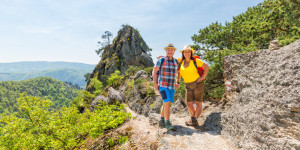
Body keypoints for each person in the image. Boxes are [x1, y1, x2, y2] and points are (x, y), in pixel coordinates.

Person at [178, 45, 209, 126]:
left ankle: (194, 120)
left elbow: (206, 66)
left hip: (198, 84)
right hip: (187, 85)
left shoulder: (196, 61)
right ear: (183, 53)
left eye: (189, 51)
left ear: (191, 53)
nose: (187, 53)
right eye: (185, 52)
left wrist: (203, 77)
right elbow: (171, 59)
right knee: (189, 104)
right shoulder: (180, 62)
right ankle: (194, 119)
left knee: (199, 103)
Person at [152, 43, 179, 131]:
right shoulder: (161, 60)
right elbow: (154, 71)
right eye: (168, 50)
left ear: (174, 51)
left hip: (172, 87)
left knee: (166, 103)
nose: (170, 51)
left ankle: (161, 120)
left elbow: (178, 72)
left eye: (172, 50)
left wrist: (177, 82)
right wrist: (155, 83)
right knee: (167, 102)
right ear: (166, 51)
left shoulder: (176, 61)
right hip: (163, 86)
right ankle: (168, 123)